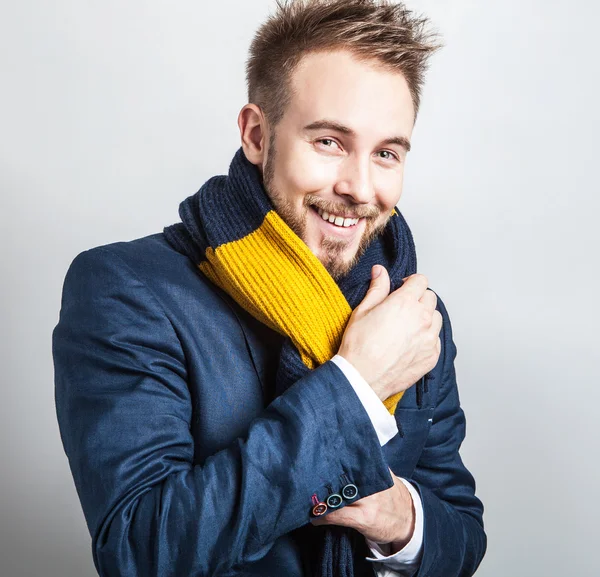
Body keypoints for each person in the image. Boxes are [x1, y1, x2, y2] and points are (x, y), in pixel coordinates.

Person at [52, 1, 487, 575]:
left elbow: (461, 535)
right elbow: (141, 551)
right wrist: (356, 389)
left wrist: (395, 517)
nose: (360, 188)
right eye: (330, 141)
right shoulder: (126, 289)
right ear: (258, 135)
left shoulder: (411, 315)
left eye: (386, 153)